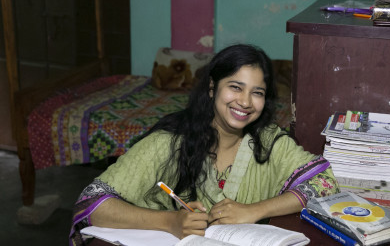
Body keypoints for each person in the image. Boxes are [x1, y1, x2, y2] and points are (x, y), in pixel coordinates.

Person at [69, 44, 340, 245]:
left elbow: (326, 184)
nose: (245, 102)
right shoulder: (170, 142)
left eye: (257, 92)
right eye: (235, 87)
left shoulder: (268, 141)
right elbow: (90, 204)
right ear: (212, 88)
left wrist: (255, 210)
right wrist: (170, 222)